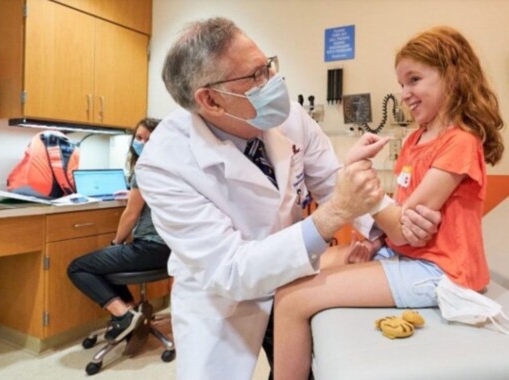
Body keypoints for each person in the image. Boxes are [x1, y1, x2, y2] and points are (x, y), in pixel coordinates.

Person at [136, 17, 440, 380]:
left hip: (292, 276)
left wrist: (391, 223)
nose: (273, 82)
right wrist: (333, 215)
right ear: (211, 99)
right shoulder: (164, 165)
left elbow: (331, 179)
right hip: (226, 303)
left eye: (268, 66)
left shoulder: (286, 116)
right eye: (255, 76)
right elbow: (232, 270)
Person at [273, 26, 505, 380]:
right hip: (408, 255)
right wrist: (377, 239)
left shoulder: (460, 141)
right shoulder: (414, 140)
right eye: (401, 84)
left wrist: (363, 188)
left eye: (414, 79)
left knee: (291, 300)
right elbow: (399, 217)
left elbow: (404, 225)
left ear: (453, 77)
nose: (404, 94)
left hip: (445, 272)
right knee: (301, 265)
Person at [67, 118, 170, 343]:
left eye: (149, 139)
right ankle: (133, 313)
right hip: (170, 251)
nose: (142, 143)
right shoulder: (172, 167)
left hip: (151, 248)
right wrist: (133, 194)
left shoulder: (145, 169)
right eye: (139, 138)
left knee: (78, 267)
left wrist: (116, 241)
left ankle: (123, 316)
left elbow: (131, 215)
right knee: (107, 262)